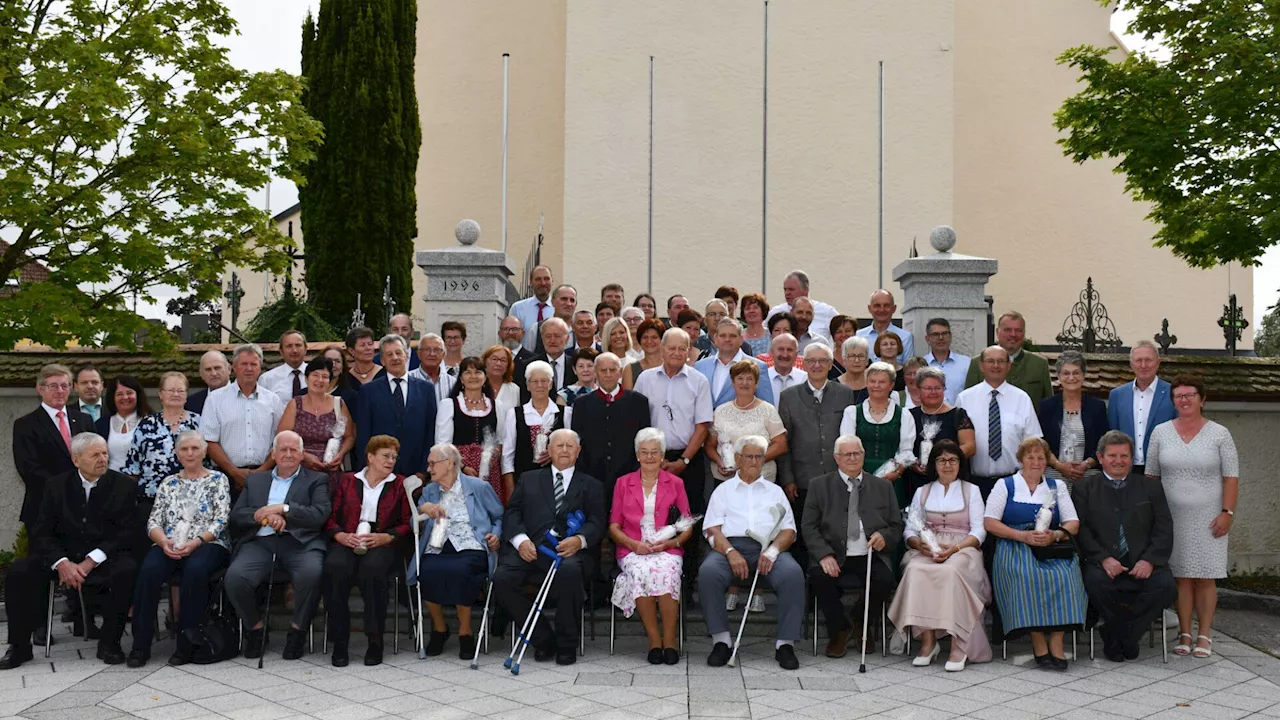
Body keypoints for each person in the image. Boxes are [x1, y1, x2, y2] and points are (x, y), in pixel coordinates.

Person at [0, 433, 137, 669]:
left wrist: (91, 560)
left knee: (127, 570)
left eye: (105, 453)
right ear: (76, 460)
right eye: (95, 455)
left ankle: (109, 642)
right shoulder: (55, 486)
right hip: (62, 557)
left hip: (103, 556)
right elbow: (42, 532)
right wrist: (61, 562)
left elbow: (126, 533)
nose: (103, 459)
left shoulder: (124, 486)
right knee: (19, 572)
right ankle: (20, 647)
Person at [492, 429, 606, 666]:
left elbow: (597, 521)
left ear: (578, 451)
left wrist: (580, 540)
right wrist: (520, 540)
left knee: (570, 572)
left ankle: (567, 645)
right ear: (549, 450)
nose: (564, 450)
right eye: (559, 446)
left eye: (570, 446)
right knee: (502, 578)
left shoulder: (592, 485)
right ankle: (543, 639)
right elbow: (512, 513)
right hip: (531, 549)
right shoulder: (529, 478)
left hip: (571, 553)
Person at [1145, 374, 1239, 659]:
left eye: (1189, 395)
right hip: (1172, 518)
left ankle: (1205, 635)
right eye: (1179, 396)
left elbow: (1231, 477)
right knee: (1182, 577)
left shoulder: (1220, 434)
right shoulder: (1160, 432)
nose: (1184, 400)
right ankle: (1185, 633)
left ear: (1202, 399)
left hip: (1210, 518)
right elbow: (1150, 476)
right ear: (1173, 401)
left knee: (1206, 577)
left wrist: (1227, 513)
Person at [225, 431, 331, 660]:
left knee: (311, 574)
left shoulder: (316, 480)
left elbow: (319, 514)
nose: (288, 454)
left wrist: (283, 509)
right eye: (283, 449)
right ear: (273, 454)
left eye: (294, 450)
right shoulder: (255, 480)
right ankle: (255, 630)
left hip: (300, 543)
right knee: (235, 578)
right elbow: (236, 516)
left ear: (303, 454)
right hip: (260, 543)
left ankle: (297, 631)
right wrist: (261, 516)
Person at [127, 430, 231, 667]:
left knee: (194, 571)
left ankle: (187, 645)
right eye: (184, 449)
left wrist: (196, 542)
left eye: (195, 448)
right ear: (176, 453)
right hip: (170, 543)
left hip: (209, 543)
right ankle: (140, 646)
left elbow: (221, 519)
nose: (190, 453)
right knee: (149, 570)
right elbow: (153, 521)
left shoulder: (218, 480)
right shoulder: (168, 483)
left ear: (205, 451)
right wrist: (163, 542)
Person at [701, 435, 805, 670]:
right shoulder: (723, 491)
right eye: (749, 456)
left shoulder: (775, 491)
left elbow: (789, 530)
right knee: (708, 572)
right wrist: (730, 551)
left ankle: (785, 644)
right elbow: (711, 529)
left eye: (759, 456)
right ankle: (721, 641)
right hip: (728, 548)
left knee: (792, 574)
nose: (755, 461)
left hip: (768, 549)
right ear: (737, 458)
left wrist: (773, 551)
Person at [983, 437, 1086, 671]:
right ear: (1020, 460)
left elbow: (1073, 522)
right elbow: (990, 522)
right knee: (1026, 576)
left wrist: (1056, 535)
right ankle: (1038, 641)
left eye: (1041, 457)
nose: (1036, 462)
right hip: (1015, 544)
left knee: (1067, 576)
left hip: (1051, 545)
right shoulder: (1005, 485)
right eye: (1030, 457)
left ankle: (1057, 641)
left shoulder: (1056, 486)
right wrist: (1022, 536)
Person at [1074, 430, 1176, 662]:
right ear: (1100, 458)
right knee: (1095, 583)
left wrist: (1149, 560)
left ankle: (1118, 634)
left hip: (1143, 560)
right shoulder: (1084, 489)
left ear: (1132, 458)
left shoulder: (1151, 487)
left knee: (1166, 586)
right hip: (1103, 563)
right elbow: (1082, 530)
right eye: (1112, 455)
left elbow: (1164, 528)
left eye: (1124, 456)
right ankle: (1128, 637)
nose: (1118, 461)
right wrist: (1103, 558)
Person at [11, 364, 95, 647]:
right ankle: (38, 627)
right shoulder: (25, 425)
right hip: (43, 511)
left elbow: (95, 460)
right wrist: (69, 489)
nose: (60, 391)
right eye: (53, 386)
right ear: (40, 389)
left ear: (71, 388)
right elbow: (30, 470)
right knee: (41, 567)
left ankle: (85, 621)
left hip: (83, 510)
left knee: (84, 560)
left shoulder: (83, 420)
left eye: (64, 385)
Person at [890, 440, 990, 670]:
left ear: (960, 463)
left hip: (963, 549)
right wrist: (919, 544)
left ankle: (960, 643)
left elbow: (979, 530)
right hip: (928, 547)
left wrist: (954, 549)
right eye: (942, 460)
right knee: (915, 570)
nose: (947, 465)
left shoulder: (971, 490)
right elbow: (910, 530)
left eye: (953, 460)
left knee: (952, 571)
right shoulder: (922, 492)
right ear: (933, 464)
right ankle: (928, 642)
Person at [803, 435, 903, 657]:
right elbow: (809, 527)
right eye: (846, 454)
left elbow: (897, 525)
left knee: (884, 580)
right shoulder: (819, 485)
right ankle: (839, 629)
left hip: (869, 553)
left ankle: (860, 620)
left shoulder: (883, 486)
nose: (852, 458)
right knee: (820, 577)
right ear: (836, 458)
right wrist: (824, 555)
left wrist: (884, 536)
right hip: (833, 553)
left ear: (863, 455)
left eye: (856, 453)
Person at [322, 434, 411, 666]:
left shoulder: (400, 483)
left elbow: (406, 523)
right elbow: (330, 517)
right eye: (385, 456)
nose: (391, 461)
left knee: (372, 570)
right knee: (335, 567)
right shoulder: (347, 480)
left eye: (394, 456)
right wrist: (340, 535)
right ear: (370, 457)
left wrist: (387, 537)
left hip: (381, 540)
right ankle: (340, 642)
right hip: (348, 537)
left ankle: (375, 641)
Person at [609, 428, 693, 664]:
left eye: (654, 452)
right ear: (637, 455)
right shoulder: (623, 483)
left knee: (667, 571)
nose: (649, 457)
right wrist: (633, 544)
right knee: (641, 572)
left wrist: (670, 543)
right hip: (632, 547)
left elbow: (687, 524)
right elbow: (614, 526)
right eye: (644, 452)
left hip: (666, 547)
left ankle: (670, 642)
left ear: (662, 455)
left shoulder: (675, 483)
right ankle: (654, 641)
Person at [414, 442, 504, 659]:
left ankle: (465, 631)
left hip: (471, 544)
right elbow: (413, 525)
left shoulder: (478, 487)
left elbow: (499, 515)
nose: (429, 469)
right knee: (426, 571)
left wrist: (496, 535)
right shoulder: (428, 491)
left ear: (450, 463)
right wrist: (421, 511)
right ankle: (440, 629)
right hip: (437, 544)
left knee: (462, 572)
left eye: (433, 464)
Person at [776, 342, 856, 570]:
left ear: (831, 364)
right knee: (804, 532)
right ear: (804, 363)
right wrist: (788, 478)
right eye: (812, 361)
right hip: (802, 479)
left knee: (835, 531)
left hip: (836, 476)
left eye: (823, 361)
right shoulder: (789, 396)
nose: (817, 365)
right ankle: (805, 585)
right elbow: (785, 441)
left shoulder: (845, 394)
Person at [124, 372, 204, 567]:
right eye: (170, 390)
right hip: (152, 501)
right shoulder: (146, 425)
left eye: (180, 390)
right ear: (160, 394)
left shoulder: (199, 422)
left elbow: (209, 464)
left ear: (186, 395)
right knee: (146, 555)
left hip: (190, 501)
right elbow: (133, 466)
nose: (175, 394)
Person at [632, 328, 714, 515]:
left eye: (682, 349)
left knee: (689, 515)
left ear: (688, 351)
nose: (677, 353)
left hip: (689, 460)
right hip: (651, 459)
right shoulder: (645, 378)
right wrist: (652, 458)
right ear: (662, 349)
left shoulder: (699, 381)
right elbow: (635, 420)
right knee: (652, 513)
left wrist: (683, 461)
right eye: (672, 348)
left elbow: (702, 426)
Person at [956, 345, 1043, 499]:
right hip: (975, 483)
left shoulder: (1022, 399)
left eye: (1001, 361)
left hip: (1013, 482)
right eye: (990, 361)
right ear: (981, 366)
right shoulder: (964, 399)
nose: (996, 366)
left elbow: (1033, 442)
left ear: (1009, 366)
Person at [571, 352, 651, 514]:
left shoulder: (638, 402)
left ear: (620, 372)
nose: (608, 375)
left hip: (628, 476)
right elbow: (578, 444)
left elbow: (644, 442)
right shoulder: (581, 404)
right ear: (595, 372)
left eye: (612, 370)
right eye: (603, 370)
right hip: (592, 477)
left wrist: (636, 473)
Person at [201, 344, 284, 499]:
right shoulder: (215, 399)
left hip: (265, 475)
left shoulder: (273, 400)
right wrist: (233, 472)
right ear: (233, 367)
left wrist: (262, 470)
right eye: (244, 364)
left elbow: (280, 440)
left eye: (254, 364)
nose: (249, 369)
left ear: (260, 368)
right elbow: (209, 440)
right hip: (225, 477)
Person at [840, 362, 916, 515]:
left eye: (882, 382)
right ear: (866, 383)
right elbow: (846, 447)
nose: (876, 386)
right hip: (858, 476)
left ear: (891, 385)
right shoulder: (852, 412)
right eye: (872, 381)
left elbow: (906, 450)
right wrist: (857, 473)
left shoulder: (904, 415)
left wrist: (897, 472)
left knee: (889, 522)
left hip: (892, 478)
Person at [355, 335, 436, 479]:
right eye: (389, 354)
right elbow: (363, 435)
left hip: (416, 471)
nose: (395, 358)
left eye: (398, 353)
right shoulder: (368, 391)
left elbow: (430, 432)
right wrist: (369, 469)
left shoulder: (426, 389)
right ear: (382, 360)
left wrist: (424, 470)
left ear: (406, 356)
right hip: (379, 472)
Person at [707, 361, 787, 486]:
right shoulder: (720, 411)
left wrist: (752, 462)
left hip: (762, 478)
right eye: (740, 378)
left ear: (756, 383)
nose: (744, 383)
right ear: (733, 382)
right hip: (727, 480)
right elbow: (710, 445)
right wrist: (719, 461)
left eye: (749, 379)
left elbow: (781, 444)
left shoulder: (768, 410)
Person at [437, 356, 505, 501]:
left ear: (485, 377)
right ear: (461, 379)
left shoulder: (496, 405)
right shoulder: (449, 405)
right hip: (457, 469)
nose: (473, 376)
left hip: (489, 471)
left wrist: (494, 455)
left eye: (478, 372)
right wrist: (462, 467)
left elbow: (500, 439)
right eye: (467, 372)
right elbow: (443, 445)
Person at [903, 367, 976, 498]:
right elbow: (902, 446)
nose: (933, 392)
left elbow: (969, 447)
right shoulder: (909, 415)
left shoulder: (958, 414)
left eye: (938, 388)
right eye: (928, 388)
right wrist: (911, 462)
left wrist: (942, 462)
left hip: (951, 480)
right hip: (917, 481)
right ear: (918, 390)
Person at [277, 356, 356, 477]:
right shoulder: (295, 404)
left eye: (325, 376)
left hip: (331, 468)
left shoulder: (338, 404)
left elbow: (349, 436)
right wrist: (305, 456)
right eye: (315, 375)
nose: (320, 380)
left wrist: (340, 454)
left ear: (329, 381)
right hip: (300, 468)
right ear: (306, 378)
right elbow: (282, 437)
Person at [1107, 340, 1176, 474]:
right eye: (1139, 360)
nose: (1143, 365)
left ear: (1158, 363)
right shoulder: (1117, 395)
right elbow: (1112, 434)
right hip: (1126, 471)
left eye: (1148, 360)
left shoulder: (1172, 393)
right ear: (1131, 364)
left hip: (1162, 471)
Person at [1039, 351, 1107, 483]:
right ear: (1058, 376)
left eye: (1076, 372)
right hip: (1054, 475)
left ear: (1083, 375)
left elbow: (1103, 444)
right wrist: (1059, 465)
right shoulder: (1047, 406)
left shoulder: (1097, 407)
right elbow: (1042, 443)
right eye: (1066, 373)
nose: (1071, 378)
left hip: (1088, 476)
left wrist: (1086, 465)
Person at [502, 360, 565, 500]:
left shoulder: (566, 413)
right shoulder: (515, 414)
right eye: (534, 381)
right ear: (527, 386)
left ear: (551, 384)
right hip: (524, 485)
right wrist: (511, 491)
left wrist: (555, 453)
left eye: (544, 381)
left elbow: (573, 449)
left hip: (557, 485)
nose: (540, 385)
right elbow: (507, 456)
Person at [964, 311, 1053, 405]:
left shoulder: (1039, 364)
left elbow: (1049, 404)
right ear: (997, 332)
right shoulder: (977, 362)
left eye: (1018, 330)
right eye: (1007, 330)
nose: (1013, 334)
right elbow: (968, 400)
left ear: (1024, 333)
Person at [695, 319, 774, 408]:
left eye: (732, 336)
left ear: (741, 339)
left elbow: (767, 407)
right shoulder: (699, 366)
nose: (727, 339)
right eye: (723, 336)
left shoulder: (758, 367)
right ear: (716, 339)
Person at [96, 375, 150, 473]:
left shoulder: (151, 422)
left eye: (129, 393)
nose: (125, 397)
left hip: (142, 482)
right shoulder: (101, 424)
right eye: (119, 394)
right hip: (110, 482)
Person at [766, 270, 837, 341]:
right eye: (785, 289)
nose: (787, 293)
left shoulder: (827, 312)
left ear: (805, 290)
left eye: (791, 289)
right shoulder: (776, 312)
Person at [518, 317, 576, 399]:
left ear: (567, 339)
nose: (552, 340)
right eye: (548, 336)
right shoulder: (528, 366)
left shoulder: (575, 365)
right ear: (542, 338)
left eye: (557, 336)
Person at [857, 290, 915, 362]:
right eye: (877, 306)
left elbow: (907, 369)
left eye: (886, 305)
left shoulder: (905, 337)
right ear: (869, 308)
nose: (882, 310)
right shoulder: (858, 336)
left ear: (894, 309)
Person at [923, 318, 970, 404]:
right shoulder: (922, 365)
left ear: (950, 337)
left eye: (944, 334)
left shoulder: (966, 363)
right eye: (935, 334)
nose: (941, 338)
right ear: (927, 339)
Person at [510, 265, 555, 351]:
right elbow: (511, 338)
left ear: (552, 281)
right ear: (531, 282)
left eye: (546, 279)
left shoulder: (558, 308)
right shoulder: (517, 308)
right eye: (538, 279)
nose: (543, 283)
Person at [481, 344, 522, 435]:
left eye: (503, 360)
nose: (498, 363)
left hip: (508, 443)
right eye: (494, 359)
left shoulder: (515, 390)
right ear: (485, 361)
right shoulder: (477, 387)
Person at [260, 329, 309, 399]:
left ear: (305, 349)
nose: (294, 350)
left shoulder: (318, 376)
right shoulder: (267, 379)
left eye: (298, 345)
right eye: (289, 346)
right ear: (281, 351)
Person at [410, 333, 457, 402]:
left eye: (437, 350)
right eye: (427, 349)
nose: (432, 354)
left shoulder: (452, 383)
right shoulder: (407, 379)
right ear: (419, 354)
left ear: (443, 354)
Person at [533, 284, 578, 355]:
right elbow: (528, 356)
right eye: (564, 299)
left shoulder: (579, 330)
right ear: (552, 301)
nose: (568, 304)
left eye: (572, 300)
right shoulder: (537, 328)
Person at [623, 318, 665, 390]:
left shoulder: (670, 366)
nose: (649, 341)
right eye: (645, 337)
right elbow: (628, 399)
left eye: (654, 337)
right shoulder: (630, 369)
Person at [321, 346, 361, 419]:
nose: (333, 365)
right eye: (328, 361)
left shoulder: (351, 397)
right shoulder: (305, 393)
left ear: (342, 368)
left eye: (337, 361)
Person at [765, 333, 805, 402]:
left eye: (789, 350)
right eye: (781, 349)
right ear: (772, 352)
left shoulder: (805, 379)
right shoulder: (762, 378)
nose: (785, 355)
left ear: (796, 354)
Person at [836, 336, 872, 403]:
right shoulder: (833, 388)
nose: (857, 360)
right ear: (844, 360)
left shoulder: (875, 385)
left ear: (867, 360)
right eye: (852, 356)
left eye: (861, 356)